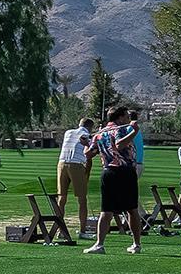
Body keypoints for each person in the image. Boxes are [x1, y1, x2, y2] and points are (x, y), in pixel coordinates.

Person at [86, 103, 143, 254]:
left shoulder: (101, 132)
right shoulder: (122, 129)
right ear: (120, 117)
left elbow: (89, 153)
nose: (128, 119)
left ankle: (99, 244)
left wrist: (86, 143)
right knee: (132, 209)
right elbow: (119, 145)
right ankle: (136, 244)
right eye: (126, 116)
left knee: (107, 210)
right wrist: (135, 131)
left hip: (109, 172)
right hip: (125, 171)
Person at [54, 109, 94, 238]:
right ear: (90, 127)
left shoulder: (68, 132)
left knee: (62, 198)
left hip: (61, 164)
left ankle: (60, 231)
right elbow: (86, 142)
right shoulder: (86, 134)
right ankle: (82, 231)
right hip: (76, 165)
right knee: (82, 199)